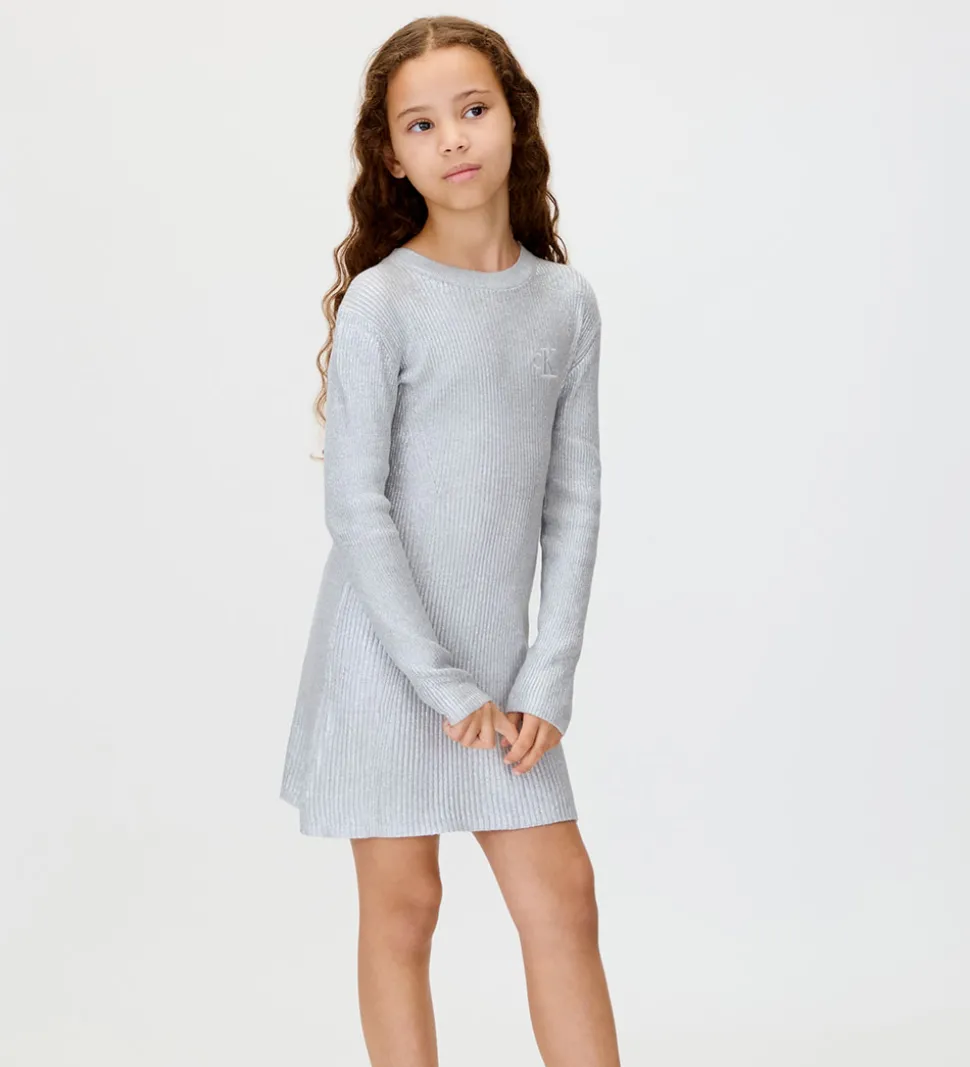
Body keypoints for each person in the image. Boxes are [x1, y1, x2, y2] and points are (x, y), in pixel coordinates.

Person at [279, 15, 621, 1066]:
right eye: (420, 124)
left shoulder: (563, 304)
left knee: (561, 894)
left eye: (473, 109)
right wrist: (440, 682)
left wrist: (547, 674)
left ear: (515, 119)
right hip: (388, 662)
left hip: (507, 678)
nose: (453, 138)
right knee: (405, 906)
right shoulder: (385, 302)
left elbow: (574, 500)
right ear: (391, 155)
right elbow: (357, 507)